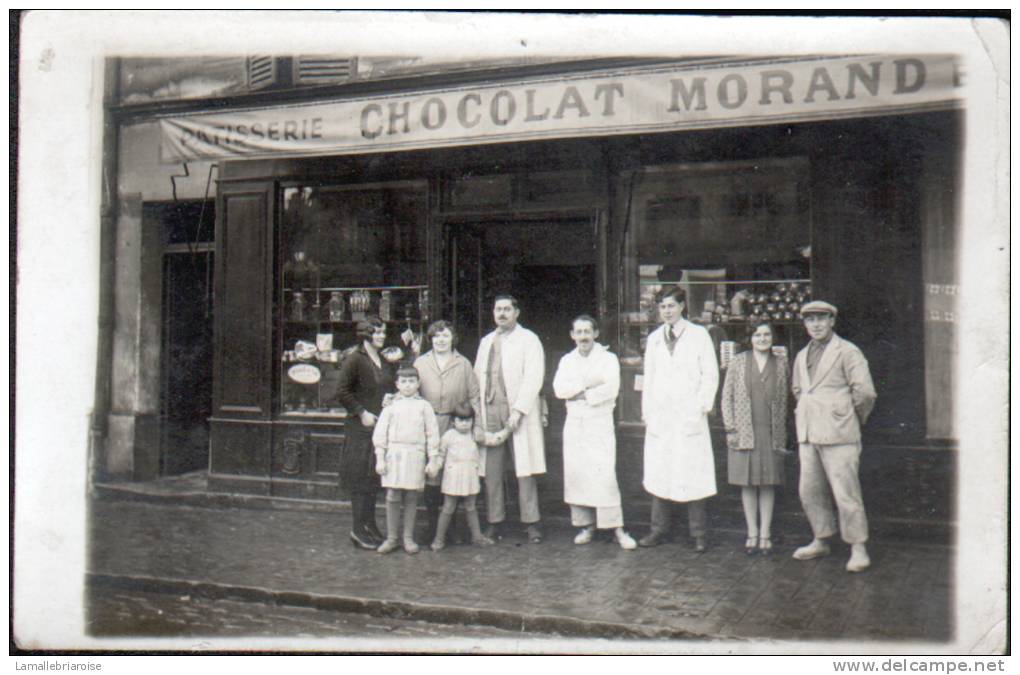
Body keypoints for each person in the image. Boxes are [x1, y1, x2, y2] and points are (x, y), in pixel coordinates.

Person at [790, 300, 877, 573]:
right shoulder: (802, 355)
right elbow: (798, 389)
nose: (815, 325)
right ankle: (821, 538)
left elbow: (865, 393)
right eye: (810, 320)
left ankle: (858, 547)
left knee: (846, 493)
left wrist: (849, 419)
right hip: (809, 433)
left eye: (821, 319)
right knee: (810, 490)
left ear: (832, 321)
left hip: (839, 433)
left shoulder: (848, 352)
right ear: (804, 324)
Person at [638, 286, 719, 552]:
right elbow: (648, 379)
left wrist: (700, 408)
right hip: (662, 418)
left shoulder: (699, 335)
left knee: (693, 474)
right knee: (660, 472)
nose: (667, 311)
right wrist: (648, 412)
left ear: (683, 306)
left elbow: (710, 375)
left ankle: (699, 534)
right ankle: (658, 529)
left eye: (671, 306)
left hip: (689, 417)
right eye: (662, 307)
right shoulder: (654, 339)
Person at [552, 315, 637, 550]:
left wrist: (580, 392)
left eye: (587, 331)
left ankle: (616, 528)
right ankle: (586, 525)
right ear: (572, 335)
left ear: (596, 333)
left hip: (599, 423)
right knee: (577, 474)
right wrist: (588, 385)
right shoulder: (567, 360)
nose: (583, 337)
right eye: (578, 332)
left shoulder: (608, 359)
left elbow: (610, 389)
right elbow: (560, 390)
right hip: (575, 423)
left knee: (603, 475)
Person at [473, 294, 546, 543]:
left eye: (506, 309)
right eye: (498, 309)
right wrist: (478, 415)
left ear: (517, 312)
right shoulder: (486, 341)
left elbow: (534, 377)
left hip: (518, 410)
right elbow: (477, 378)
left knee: (524, 469)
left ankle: (531, 522)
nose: (501, 314)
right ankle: (495, 521)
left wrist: (518, 411)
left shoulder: (529, 340)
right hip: (490, 408)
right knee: (492, 470)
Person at [721, 320, 789, 556]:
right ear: (750, 338)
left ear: (772, 337)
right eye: (758, 335)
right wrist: (731, 429)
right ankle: (751, 533)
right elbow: (726, 397)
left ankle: (765, 534)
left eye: (767, 334)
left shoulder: (781, 364)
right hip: (744, 431)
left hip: (771, 433)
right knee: (747, 483)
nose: (762, 339)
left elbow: (786, 400)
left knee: (767, 482)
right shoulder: (738, 362)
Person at [414, 320, 483, 544]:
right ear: (430, 339)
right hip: (428, 425)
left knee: (452, 478)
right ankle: (433, 527)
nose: (440, 341)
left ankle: (451, 529)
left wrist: (478, 425)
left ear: (452, 338)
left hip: (456, 427)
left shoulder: (463, 364)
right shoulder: (421, 363)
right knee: (432, 476)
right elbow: (411, 393)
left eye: (445, 336)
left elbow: (474, 396)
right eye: (436, 337)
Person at [336, 317, 395, 550]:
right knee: (360, 479)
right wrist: (361, 412)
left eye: (383, 332)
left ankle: (370, 526)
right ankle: (358, 530)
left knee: (371, 479)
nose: (381, 336)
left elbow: (384, 387)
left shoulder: (381, 359)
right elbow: (341, 391)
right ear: (365, 334)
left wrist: (388, 398)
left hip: (378, 429)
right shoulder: (355, 360)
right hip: (360, 429)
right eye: (377, 332)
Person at [372, 366, 441, 555]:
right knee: (393, 493)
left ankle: (408, 538)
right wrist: (380, 458)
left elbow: (432, 433)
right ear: (397, 384)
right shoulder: (391, 406)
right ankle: (392, 538)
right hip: (394, 453)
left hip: (415, 454)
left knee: (411, 495)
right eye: (403, 382)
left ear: (418, 384)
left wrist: (432, 459)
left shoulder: (424, 406)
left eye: (411, 381)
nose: (408, 385)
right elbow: (380, 433)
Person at [429, 403, 495, 550]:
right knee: (448, 507)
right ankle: (439, 539)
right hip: (453, 477)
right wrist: (435, 466)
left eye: (468, 420)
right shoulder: (448, 436)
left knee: (471, 506)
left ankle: (477, 537)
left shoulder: (475, 435)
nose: (464, 424)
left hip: (470, 476)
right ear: (453, 421)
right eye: (460, 420)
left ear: (472, 421)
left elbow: (491, 439)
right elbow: (440, 455)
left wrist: (505, 433)